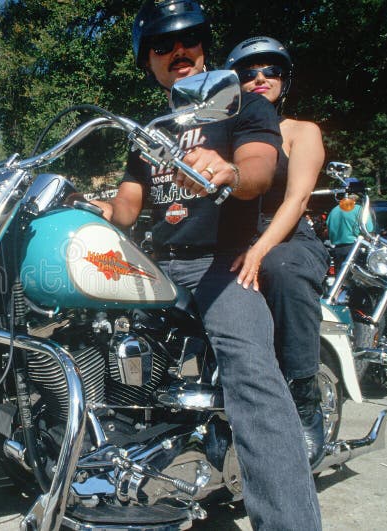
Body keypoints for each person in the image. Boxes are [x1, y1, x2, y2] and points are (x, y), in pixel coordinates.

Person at [92, 2, 322, 528]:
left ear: (203, 44)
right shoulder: (150, 129)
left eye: (189, 38)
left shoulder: (239, 102)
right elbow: (127, 206)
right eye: (162, 45)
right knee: (101, 340)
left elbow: (260, 168)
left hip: (221, 264)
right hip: (155, 264)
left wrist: (229, 172)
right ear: (147, 61)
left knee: (254, 379)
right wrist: (89, 206)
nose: (179, 51)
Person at [225, 36, 330, 467]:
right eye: (248, 74)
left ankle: (305, 396)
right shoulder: (223, 135)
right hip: (234, 240)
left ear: (285, 81)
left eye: (270, 71)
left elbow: (297, 199)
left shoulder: (301, 131)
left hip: (287, 239)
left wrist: (260, 249)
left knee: (282, 268)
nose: (260, 79)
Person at [327, 191, 374, 267]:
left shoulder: (333, 211)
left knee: (340, 275)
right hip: (355, 248)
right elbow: (369, 230)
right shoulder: (359, 210)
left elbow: (328, 231)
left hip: (338, 250)